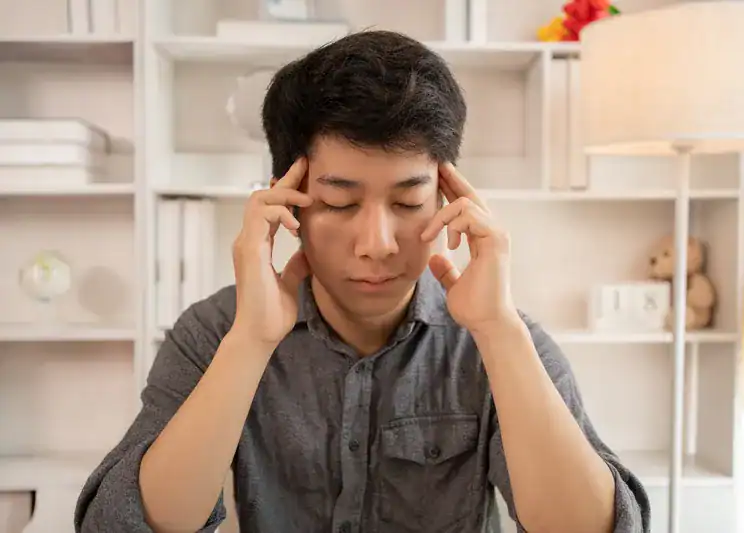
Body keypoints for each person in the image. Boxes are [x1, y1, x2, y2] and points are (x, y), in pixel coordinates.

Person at [74, 30, 650, 533]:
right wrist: (250, 343)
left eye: (409, 200)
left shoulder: (500, 337)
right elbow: (119, 524)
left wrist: (498, 331)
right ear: (288, 203)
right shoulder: (215, 333)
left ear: (449, 200)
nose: (377, 242)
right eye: (339, 202)